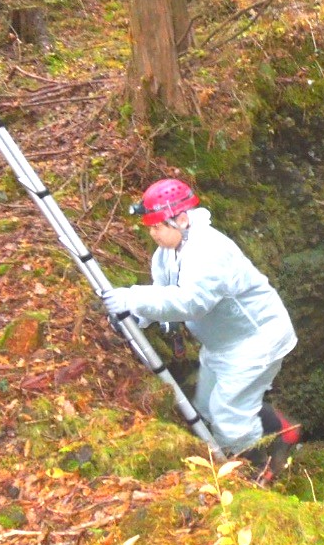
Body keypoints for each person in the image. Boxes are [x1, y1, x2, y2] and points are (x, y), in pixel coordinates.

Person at [102, 178, 300, 482]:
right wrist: (137, 315)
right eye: (150, 226)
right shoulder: (168, 253)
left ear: (180, 219)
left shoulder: (210, 251)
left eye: (157, 226)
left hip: (258, 342)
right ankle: (280, 430)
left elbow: (191, 302)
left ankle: (256, 470)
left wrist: (133, 298)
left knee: (228, 417)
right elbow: (164, 292)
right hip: (223, 345)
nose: (152, 232)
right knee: (206, 405)